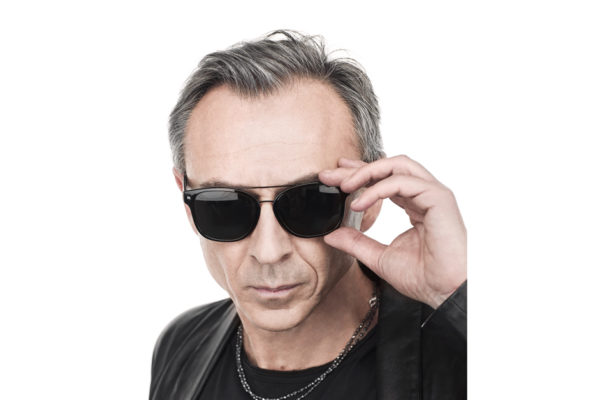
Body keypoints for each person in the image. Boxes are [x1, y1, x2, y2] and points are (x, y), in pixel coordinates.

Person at [149, 29, 467, 400]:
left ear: (371, 193)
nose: (269, 252)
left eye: (308, 203)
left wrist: (459, 292)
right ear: (186, 200)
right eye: (224, 206)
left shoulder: (462, 359)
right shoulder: (181, 345)